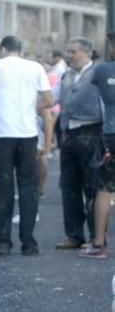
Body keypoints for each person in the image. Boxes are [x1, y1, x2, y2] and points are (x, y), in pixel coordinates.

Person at [0, 35, 52, 256]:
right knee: (29, 188)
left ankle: (2, 242)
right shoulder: (35, 67)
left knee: (1, 188)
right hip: (27, 133)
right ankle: (29, 242)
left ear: (2, 49)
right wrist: (31, 107)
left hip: (1, 134)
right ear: (21, 49)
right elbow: (48, 100)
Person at [54, 38, 102, 250]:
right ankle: (74, 234)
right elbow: (56, 100)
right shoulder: (66, 76)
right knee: (69, 185)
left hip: (92, 132)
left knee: (92, 186)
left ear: (87, 54)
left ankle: (95, 235)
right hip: (69, 133)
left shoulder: (99, 74)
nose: (69, 55)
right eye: (68, 51)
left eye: (73, 51)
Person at [81, 32, 115, 258]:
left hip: (111, 134)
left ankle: (99, 243)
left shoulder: (102, 71)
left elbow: (86, 95)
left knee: (104, 189)